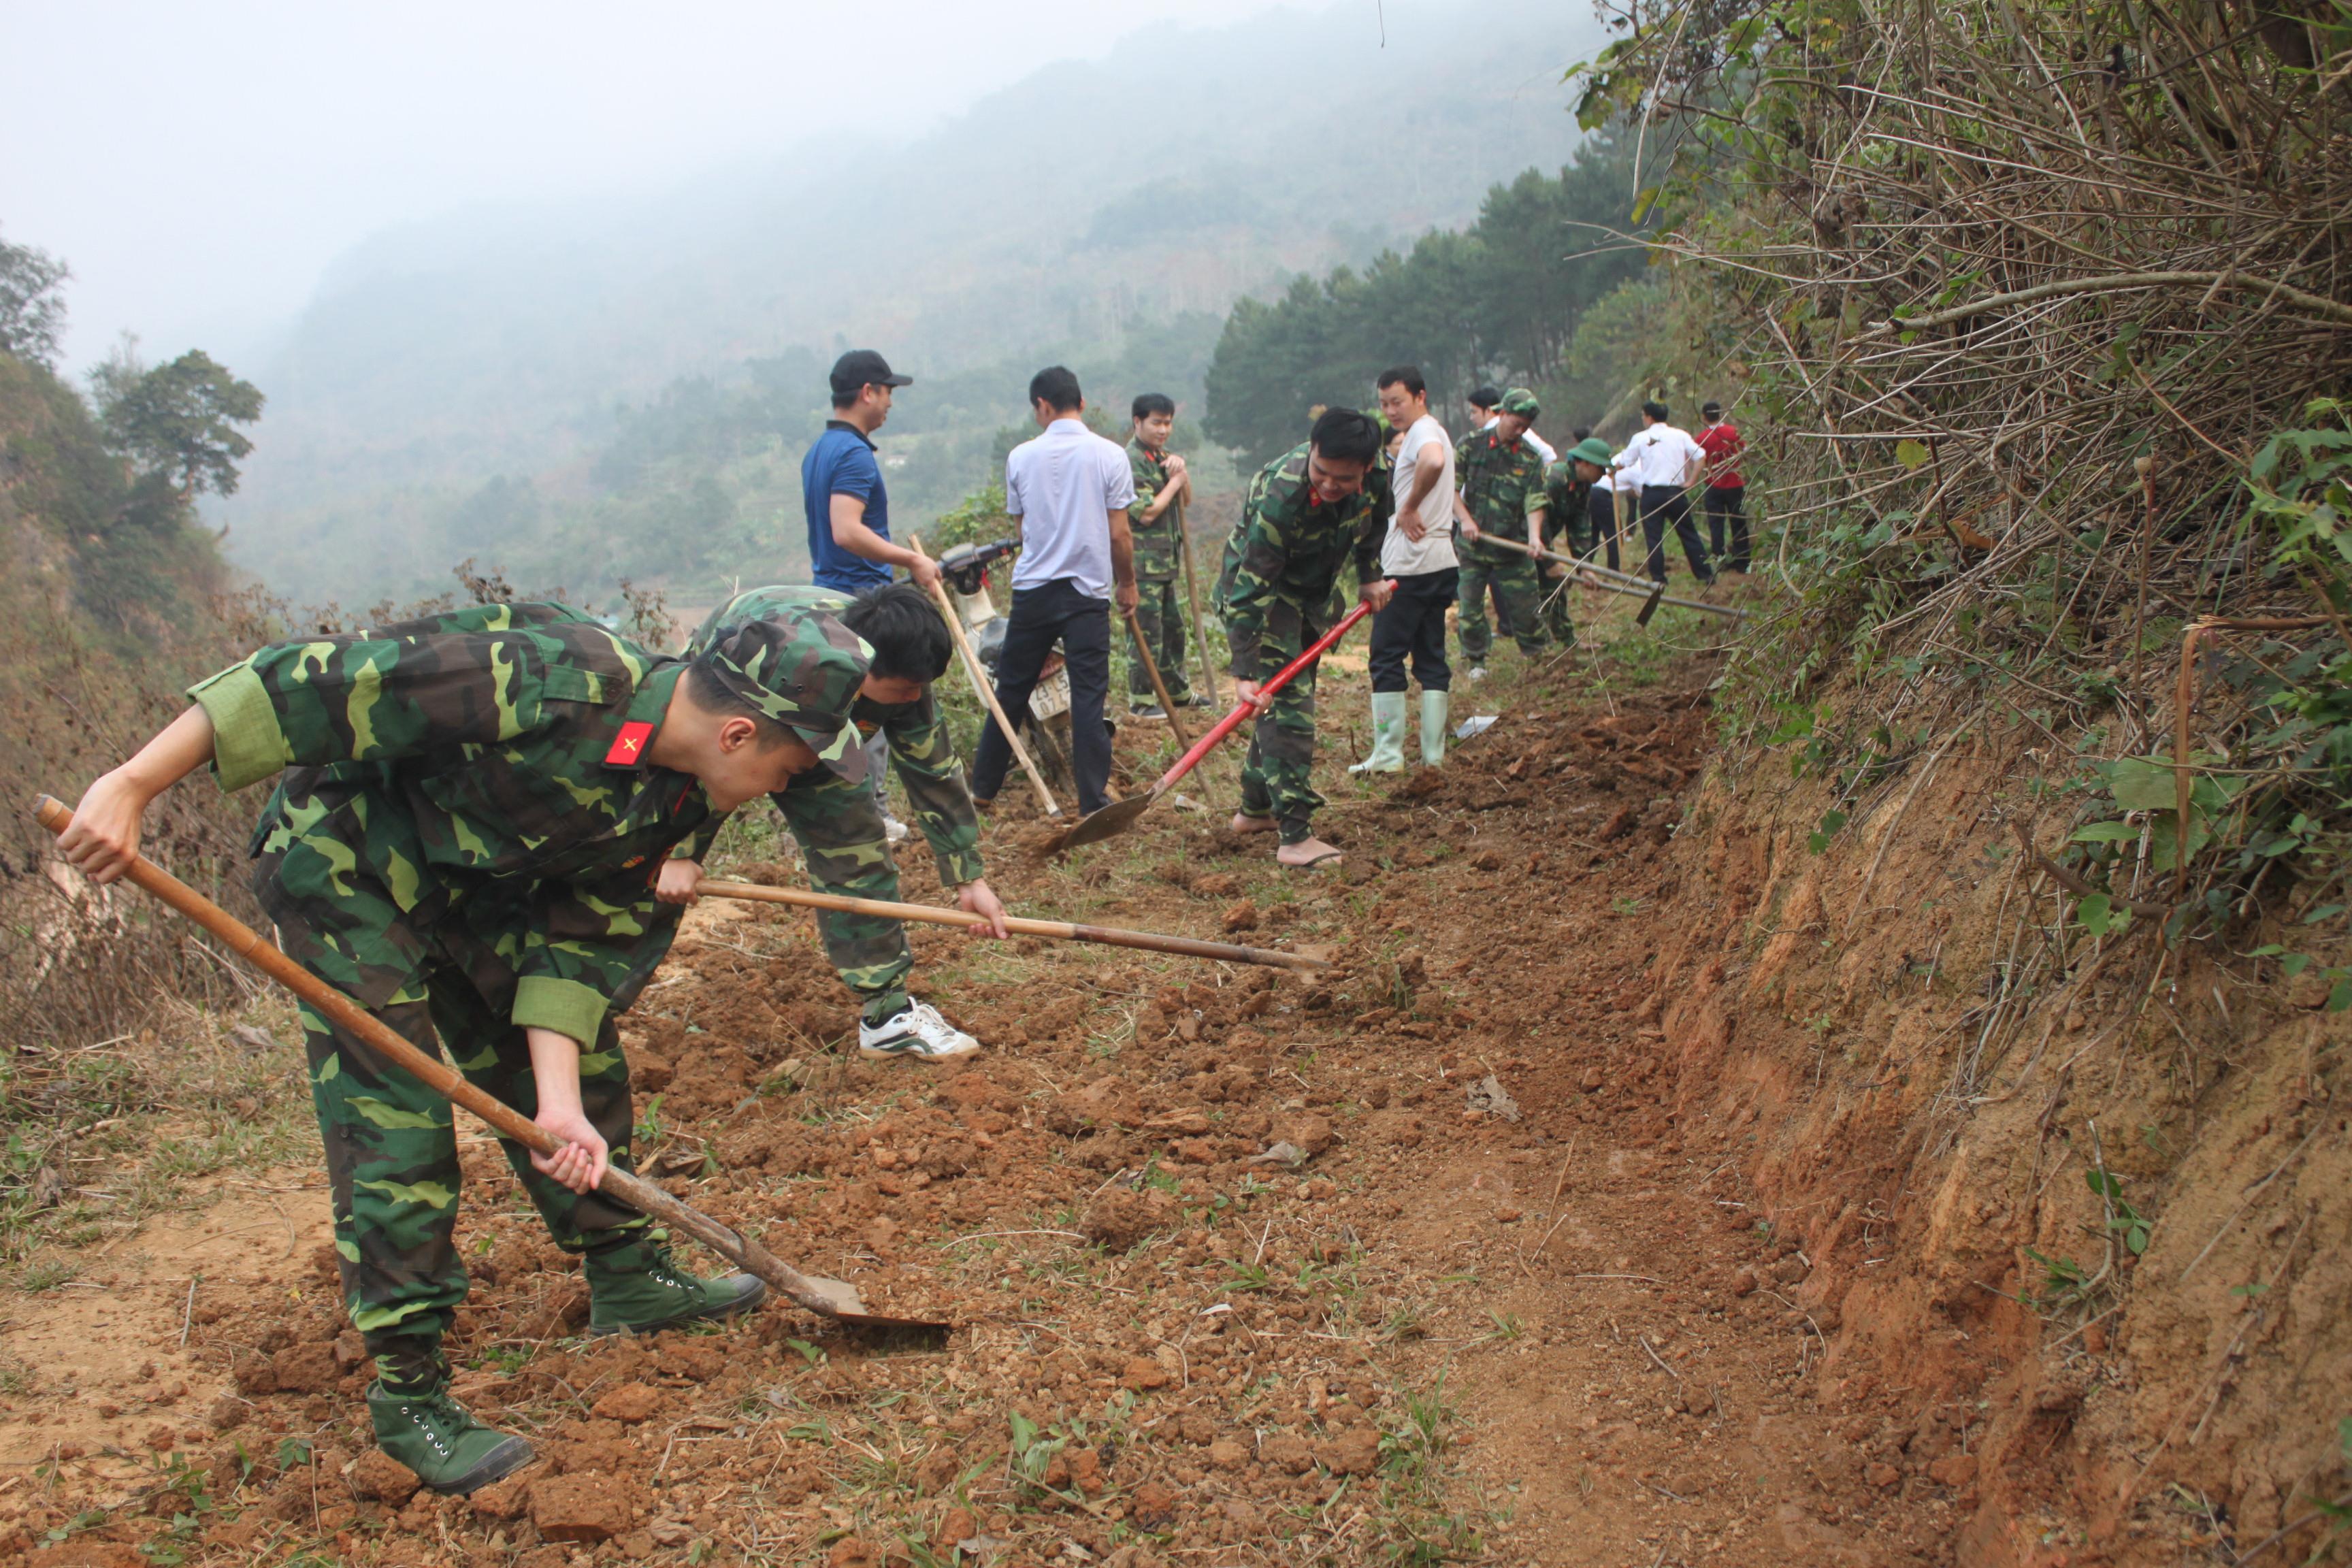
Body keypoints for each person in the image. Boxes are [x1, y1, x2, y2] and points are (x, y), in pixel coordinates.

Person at [53, 598, 873, 1493]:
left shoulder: (680, 794)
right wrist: (130, 786)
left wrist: (555, 1107)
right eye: (791, 767)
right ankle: (409, 1396)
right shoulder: (550, 677)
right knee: (397, 1117)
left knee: (580, 1062)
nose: (788, 786)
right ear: (739, 733)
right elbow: (297, 683)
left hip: (477, 889)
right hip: (348, 864)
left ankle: (627, 1275)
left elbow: (577, 940)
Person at [664, 583, 1009, 1061]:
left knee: (856, 849)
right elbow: (703, 755)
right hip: (734, 710)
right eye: (904, 689)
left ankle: (887, 1018)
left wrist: (968, 875)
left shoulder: (902, 664)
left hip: (824, 725)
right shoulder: (773, 658)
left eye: (920, 686)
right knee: (655, 864)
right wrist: (680, 852)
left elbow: (932, 767)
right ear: (862, 669)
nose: (914, 697)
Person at [1216, 407, 1392, 867]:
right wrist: (1245, 671)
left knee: (1282, 703)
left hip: (1312, 594)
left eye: (1344, 479)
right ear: (1311, 450)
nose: (1330, 485)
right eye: (1321, 472)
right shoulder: (1283, 494)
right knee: (1289, 706)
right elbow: (1253, 586)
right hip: (1261, 595)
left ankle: (1255, 811)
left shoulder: (1378, 474)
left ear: (1366, 468)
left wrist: (1370, 575)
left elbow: (1376, 521)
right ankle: (1294, 837)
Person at [969, 366, 1138, 817]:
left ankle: (982, 788)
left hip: (1034, 591)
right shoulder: (1110, 455)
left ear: (1041, 406)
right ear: (1081, 404)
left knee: (1011, 689)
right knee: (1088, 695)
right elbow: (1120, 535)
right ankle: (1092, 801)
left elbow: (1022, 529)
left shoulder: (1020, 457)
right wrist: (1127, 583)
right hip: (1087, 595)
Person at [804, 348, 929, 842]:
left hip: (830, 593)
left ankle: (852, 813)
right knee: (874, 706)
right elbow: (846, 530)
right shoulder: (853, 454)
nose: (891, 404)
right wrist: (912, 560)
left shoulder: (820, 450)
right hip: (860, 597)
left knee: (848, 709)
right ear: (867, 393)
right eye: (888, 392)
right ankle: (872, 814)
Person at [1354, 367, 1456, 774]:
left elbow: (1433, 461)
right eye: (1383, 404)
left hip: (1410, 566)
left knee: (1386, 655)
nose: (1390, 411)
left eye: (1397, 401)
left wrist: (1409, 506)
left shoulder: (1423, 432)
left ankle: (1388, 753)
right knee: (1431, 656)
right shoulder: (1433, 430)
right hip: (1440, 560)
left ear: (1420, 396)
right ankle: (1433, 756)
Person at [1452, 387, 1554, 675]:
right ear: (1503, 414)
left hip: (1512, 546)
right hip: (1473, 545)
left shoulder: (1530, 458)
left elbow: (1535, 501)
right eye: (1516, 424)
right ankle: (1476, 661)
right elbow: (1451, 488)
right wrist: (1465, 520)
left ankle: (1538, 658)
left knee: (1526, 608)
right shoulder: (1471, 445)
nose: (1519, 431)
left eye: (1525, 427)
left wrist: (1534, 537)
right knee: (1470, 609)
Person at [1125, 393, 1196, 717]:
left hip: (1165, 563)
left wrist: (1182, 475)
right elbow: (1147, 513)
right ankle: (1141, 701)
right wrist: (1175, 481)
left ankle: (1176, 692)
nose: (1163, 429)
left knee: (1173, 630)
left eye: (1168, 423)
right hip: (1141, 565)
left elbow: (1186, 500)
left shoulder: (1162, 457)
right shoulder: (1132, 461)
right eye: (1156, 423)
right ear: (1138, 422)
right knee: (1146, 633)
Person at [1614, 400, 1715, 586]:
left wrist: (1613, 469)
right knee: (1689, 534)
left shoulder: (1640, 438)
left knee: (1654, 538)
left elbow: (1625, 461)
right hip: (1675, 493)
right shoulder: (1680, 435)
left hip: (1652, 495)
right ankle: (1706, 575)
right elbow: (1701, 456)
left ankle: (1659, 579)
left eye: (1643, 415)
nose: (1643, 419)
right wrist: (1691, 482)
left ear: (1649, 417)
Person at [1541, 436, 1620, 643]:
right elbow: (1538, 521)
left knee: (1554, 587)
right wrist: (1549, 562)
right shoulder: (1554, 479)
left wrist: (1584, 567)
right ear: (1584, 463)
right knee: (1525, 590)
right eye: (1600, 468)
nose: (1603, 473)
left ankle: (1566, 641)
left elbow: (1579, 526)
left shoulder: (1583, 486)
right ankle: (1536, 646)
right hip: (1522, 538)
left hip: (1542, 541)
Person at [1697, 400, 1750, 573]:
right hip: (1735, 483)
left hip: (1713, 485)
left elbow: (1698, 460)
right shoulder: (1733, 432)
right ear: (1720, 414)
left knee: (1716, 524)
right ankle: (1743, 561)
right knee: (1738, 522)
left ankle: (1719, 560)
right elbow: (1746, 450)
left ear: (1704, 417)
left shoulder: (1703, 438)